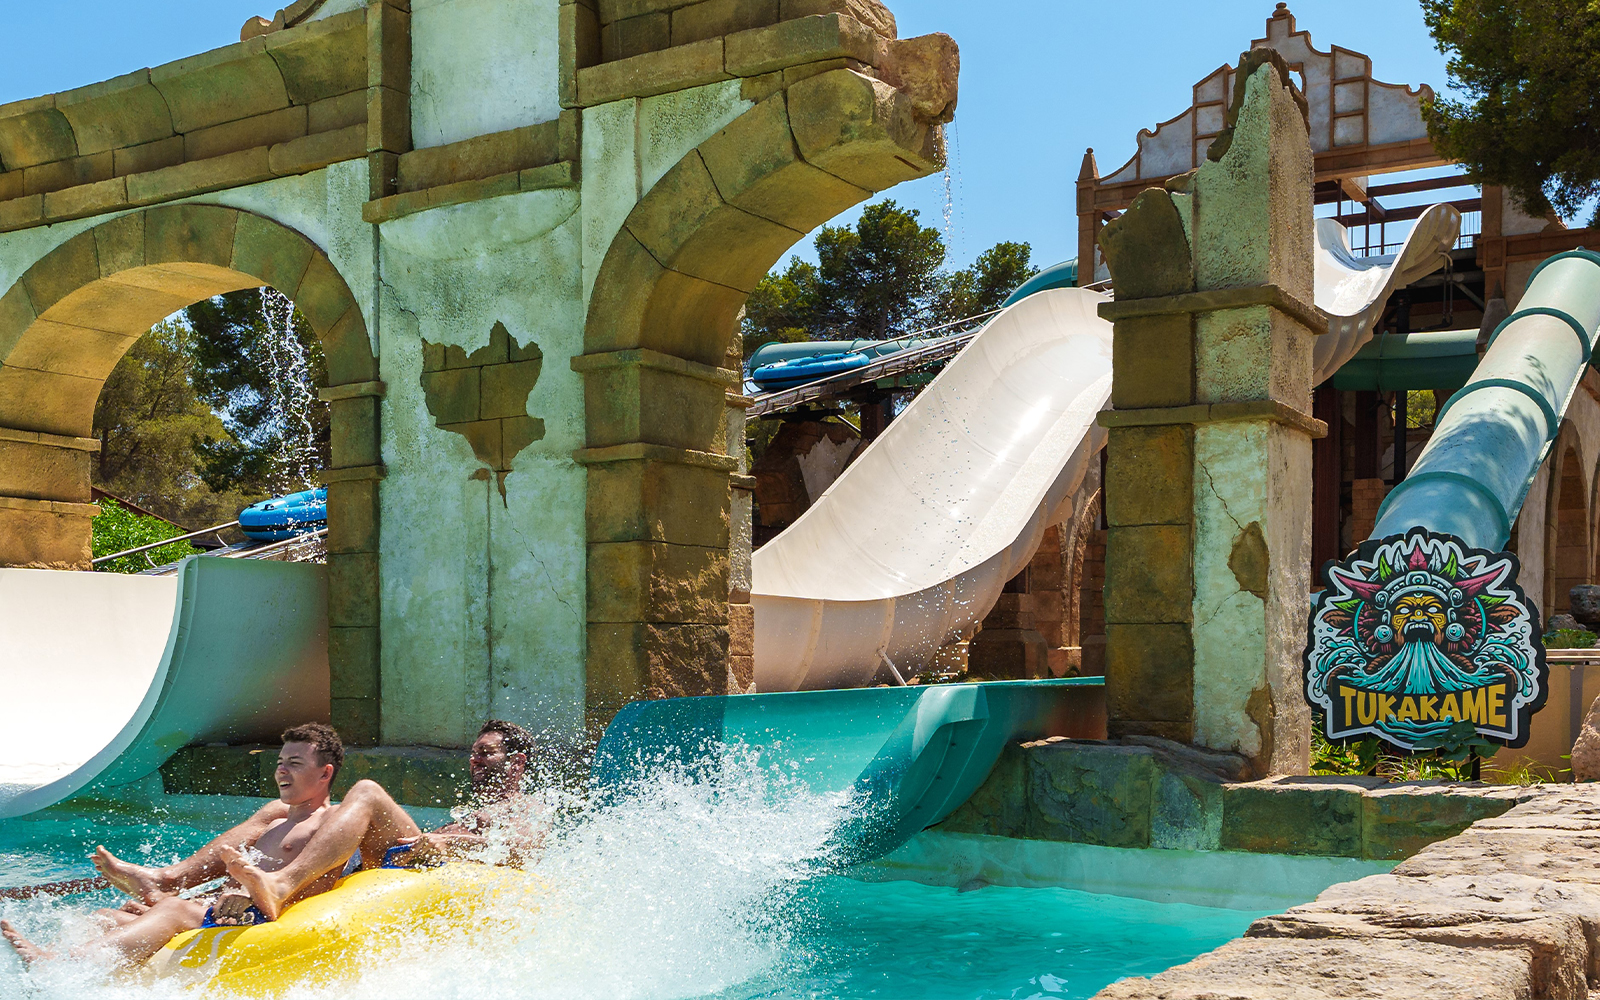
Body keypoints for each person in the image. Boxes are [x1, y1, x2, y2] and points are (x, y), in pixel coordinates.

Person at [0, 723, 346, 967]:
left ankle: (56, 963)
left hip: (256, 915)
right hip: (216, 908)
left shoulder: (331, 822)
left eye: (294, 764)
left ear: (325, 773)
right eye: (280, 762)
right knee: (106, 916)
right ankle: (52, 963)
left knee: (173, 911)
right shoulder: (275, 817)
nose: (282, 771)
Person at [216, 719, 544, 923]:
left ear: (516, 763)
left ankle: (282, 884)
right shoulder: (475, 812)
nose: (474, 760)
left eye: (485, 753)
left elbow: (524, 851)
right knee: (281, 812)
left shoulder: (526, 808)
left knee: (368, 793)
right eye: (473, 754)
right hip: (394, 865)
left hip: (425, 873)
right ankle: (206, 890)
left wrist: (448, 843)